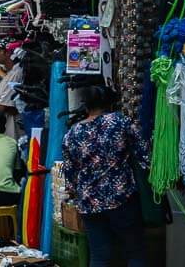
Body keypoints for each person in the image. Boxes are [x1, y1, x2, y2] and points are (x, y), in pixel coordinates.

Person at [63, 86, 150, 267]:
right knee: (135, 252)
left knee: (99, 256)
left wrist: (73, 192)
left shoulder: (72, 133)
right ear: (108, 103)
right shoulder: (119, 121)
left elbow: (70, 173)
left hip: (89, 203)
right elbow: (144, 154)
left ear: (85, 106)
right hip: (121, 198)